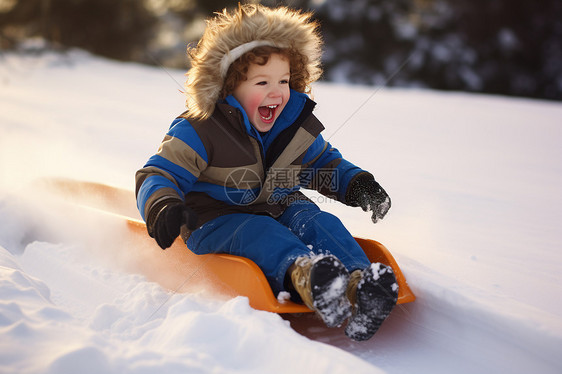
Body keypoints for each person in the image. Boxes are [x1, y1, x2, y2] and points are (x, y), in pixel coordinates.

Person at [135, 3, 397, 341]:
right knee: (261, 231)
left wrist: (357, 184)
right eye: (262, 82)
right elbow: (160, 174)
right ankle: (309, 278)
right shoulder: (200, 128)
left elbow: (322, 163)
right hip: (214, 219)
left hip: (279, 203)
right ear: (228, 85)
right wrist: (162, 205)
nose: (277, 92)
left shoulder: (291, 124)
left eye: (284, 80)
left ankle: (362, 286)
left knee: (317, 220)